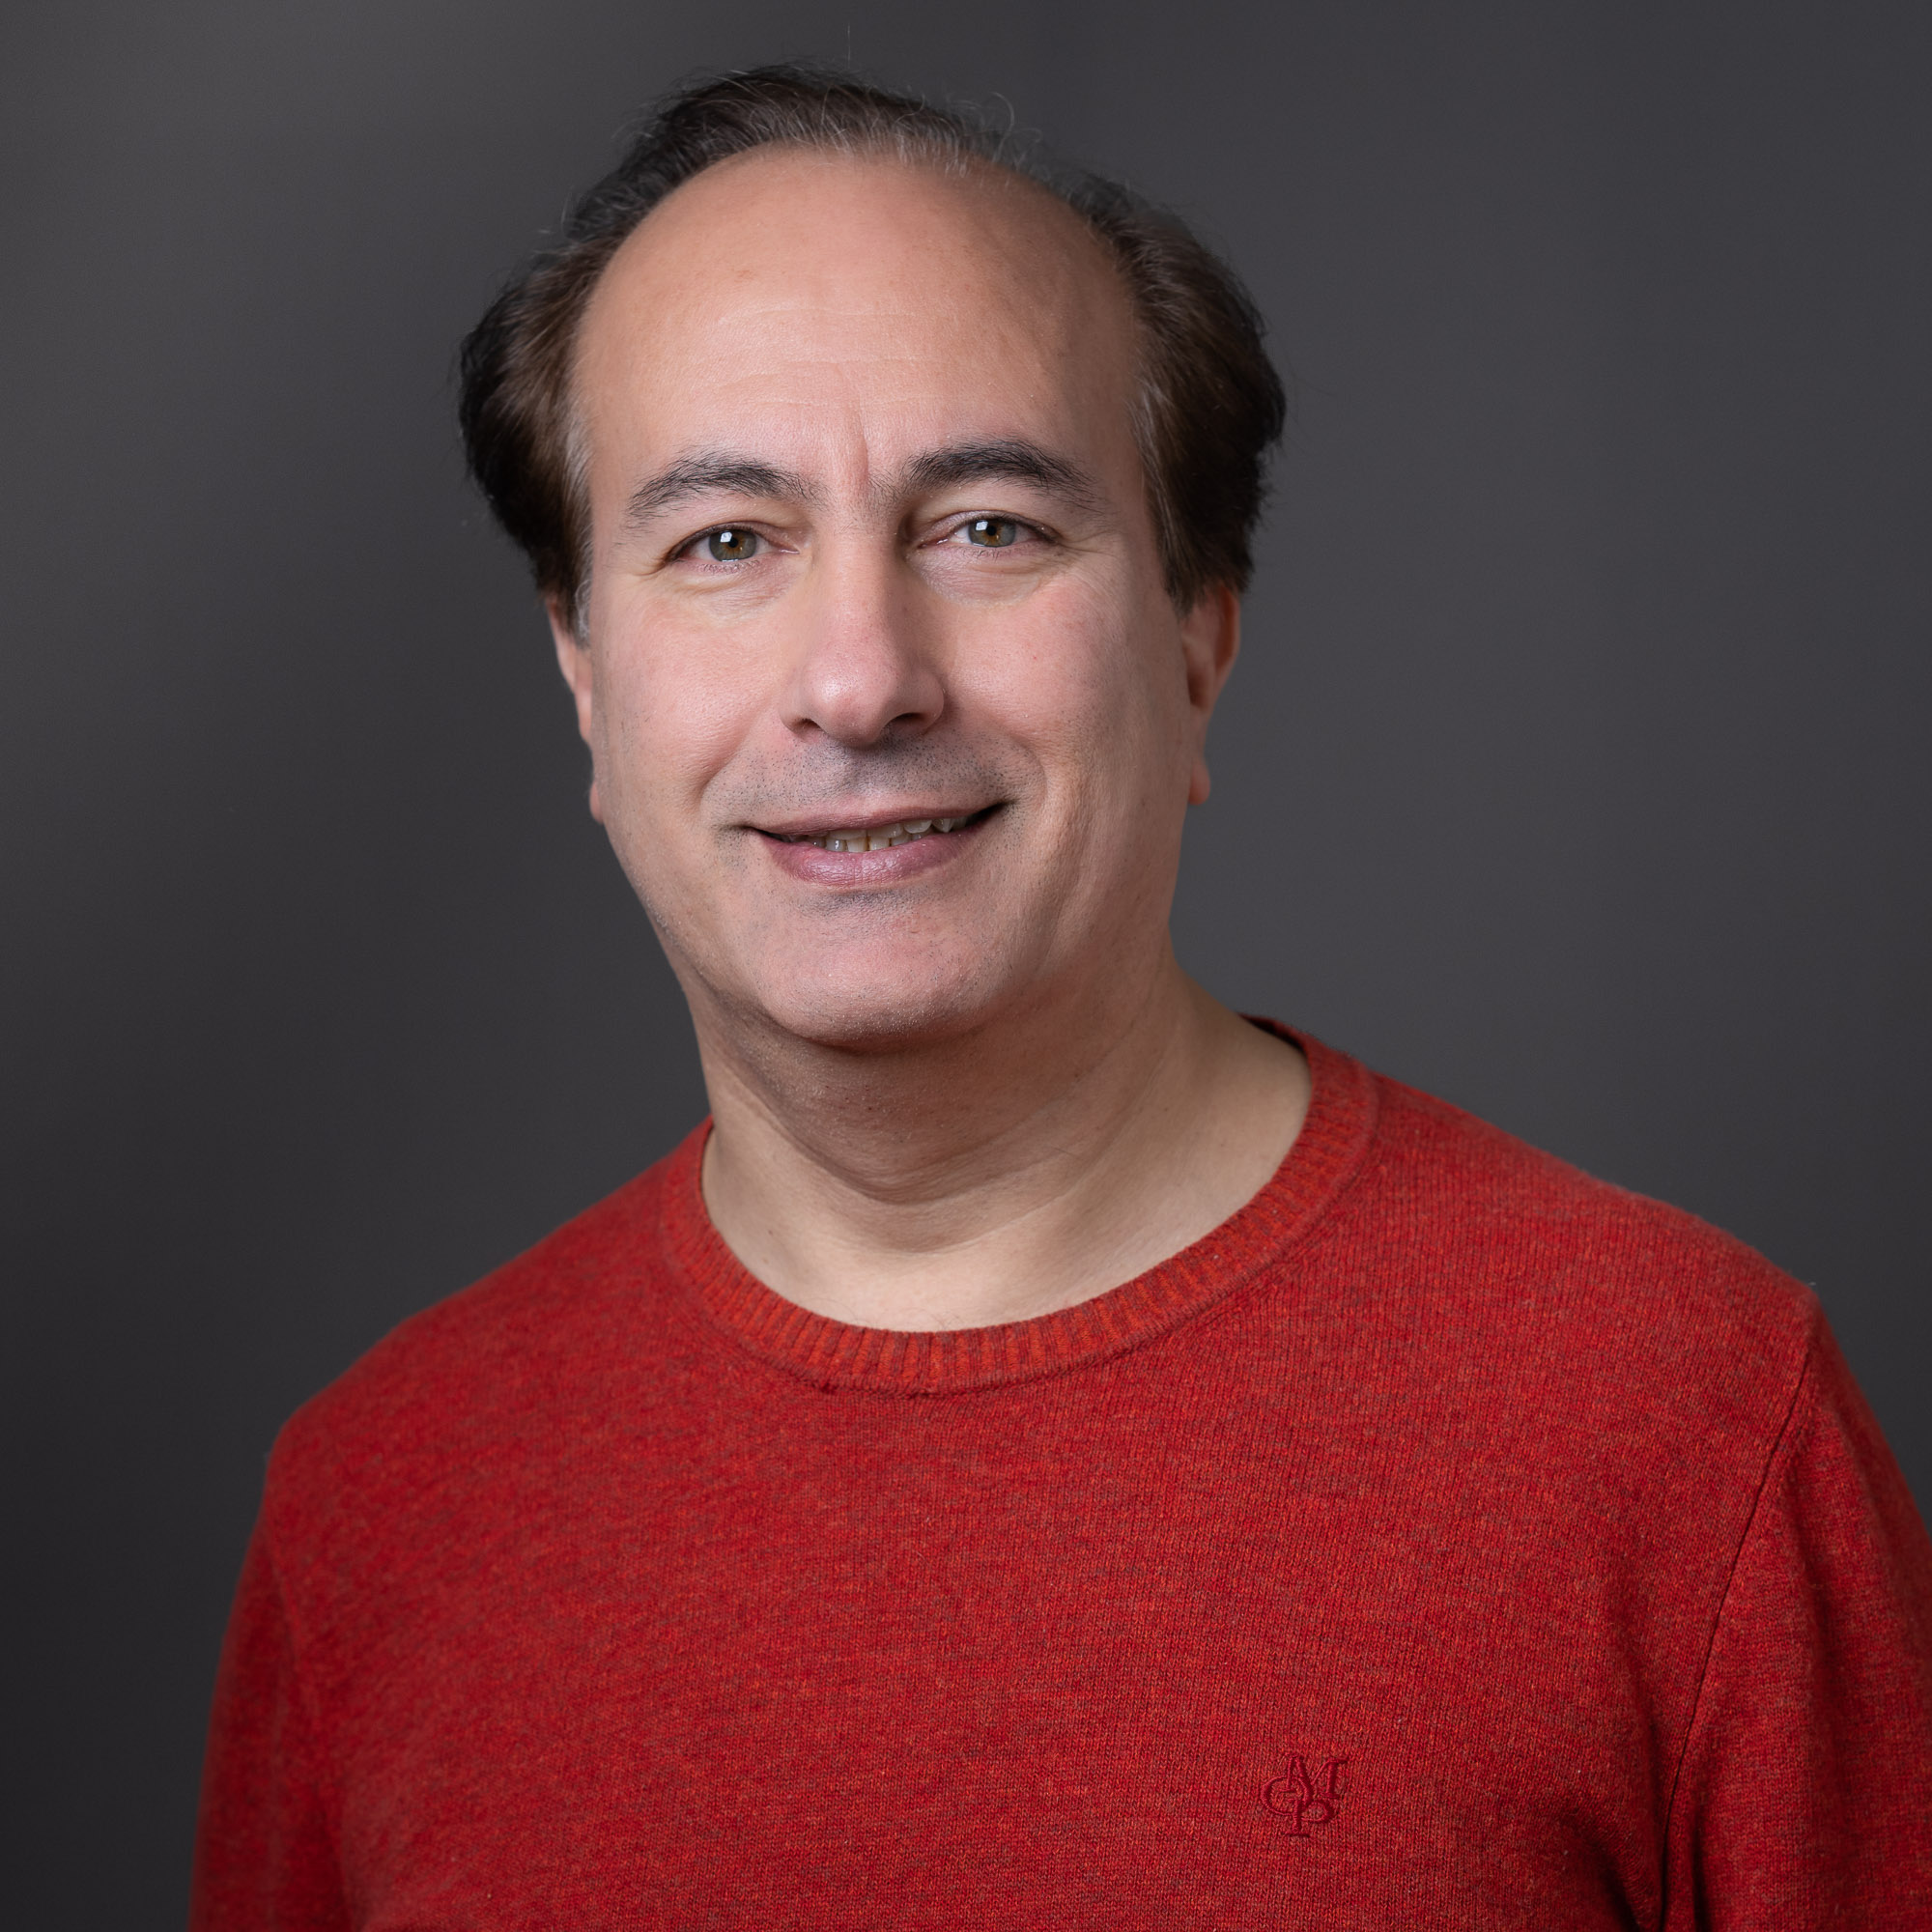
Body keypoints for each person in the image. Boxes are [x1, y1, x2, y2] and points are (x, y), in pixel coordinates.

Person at [190, 65, 1932, 1928]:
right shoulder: (379, 1506)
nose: (859, 681)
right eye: (726, 543)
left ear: (1196, 642)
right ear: (588, 680)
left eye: (990, 527)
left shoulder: (1684, 1422)